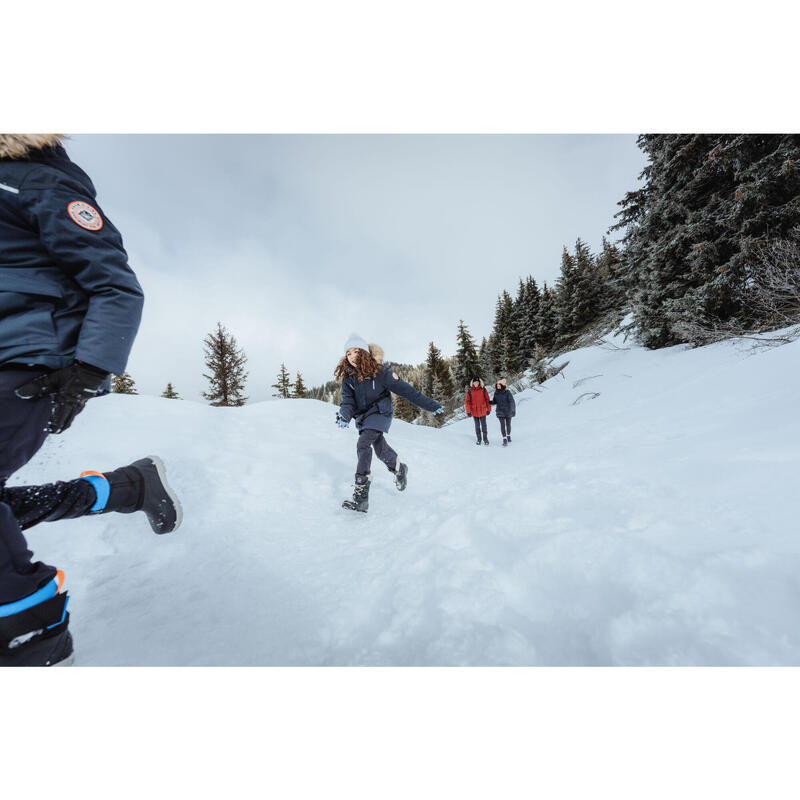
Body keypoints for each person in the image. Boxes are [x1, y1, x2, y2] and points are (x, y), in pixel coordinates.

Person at [0, 134, 182, 667]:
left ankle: (35, 651)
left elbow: (115, 286)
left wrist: (86, 371)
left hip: (30, 366)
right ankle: (127, 488)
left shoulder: (37, 180)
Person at [335, 333, 444, 513]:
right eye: (348, 354)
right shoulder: (349, 378)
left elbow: (408, 392)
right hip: (363, 417)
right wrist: (344, 416)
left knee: (363, 444)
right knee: (379, 448)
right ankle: (399, 468)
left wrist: (431, 406)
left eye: (356, 351)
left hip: (380, 412)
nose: (352, 356)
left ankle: (361, 496)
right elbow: (348, 402)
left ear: (364, 352)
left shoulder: (381, 372)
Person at [465, 377, 491, 446]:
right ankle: (479, 439)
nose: (476, 383)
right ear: (472, 383)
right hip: (474, 412)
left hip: (483, 411)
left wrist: (489, 409)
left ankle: (485, 439)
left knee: (484, 426)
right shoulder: (469, 391)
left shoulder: (483, 390)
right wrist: (468, 411)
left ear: (479, 382)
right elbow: (467, 402)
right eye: (474, 382)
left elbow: (487, 400)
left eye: (477, 382)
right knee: (477, 426)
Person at [490, 378, 516, 446]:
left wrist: (513, 410)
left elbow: (512, 401)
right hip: (500, 411)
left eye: (499, 385)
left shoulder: (507, 392)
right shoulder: (496, 393)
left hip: (508, 411)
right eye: (497, 385)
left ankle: (508, 435)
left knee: (508, 424)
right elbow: (495, 401)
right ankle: (504, 439)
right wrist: (489, 402)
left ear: (502, 385)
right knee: (502, 425)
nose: (498, 386)